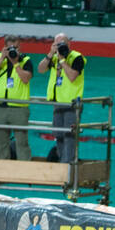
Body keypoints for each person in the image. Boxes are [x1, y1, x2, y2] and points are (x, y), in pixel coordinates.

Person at [0, 34, 35, 160]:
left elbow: (25, 78)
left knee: (22, 143)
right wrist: (2, 58)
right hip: (0, 108)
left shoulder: (26, 60)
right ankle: (1, 173)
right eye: (10, 48)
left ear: (20, 47)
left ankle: (25, 174)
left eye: (16, 48)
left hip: (19, 108)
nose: (14, 51)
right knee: (0, 143)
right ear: (4, 47)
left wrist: (16, 63)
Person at [37, 32, 85, 164]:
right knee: (58, 135)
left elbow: (72, 76)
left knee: (69, 135)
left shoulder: (77, 57)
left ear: (69, 44)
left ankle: (67, 163)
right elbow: (40, 70)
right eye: (57, 44)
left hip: (72, 104)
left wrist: (63, 60)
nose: (60, 46)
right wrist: (50, 54)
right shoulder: (53, 58)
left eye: (63, 43)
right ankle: (62, 160)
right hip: (58, 103)